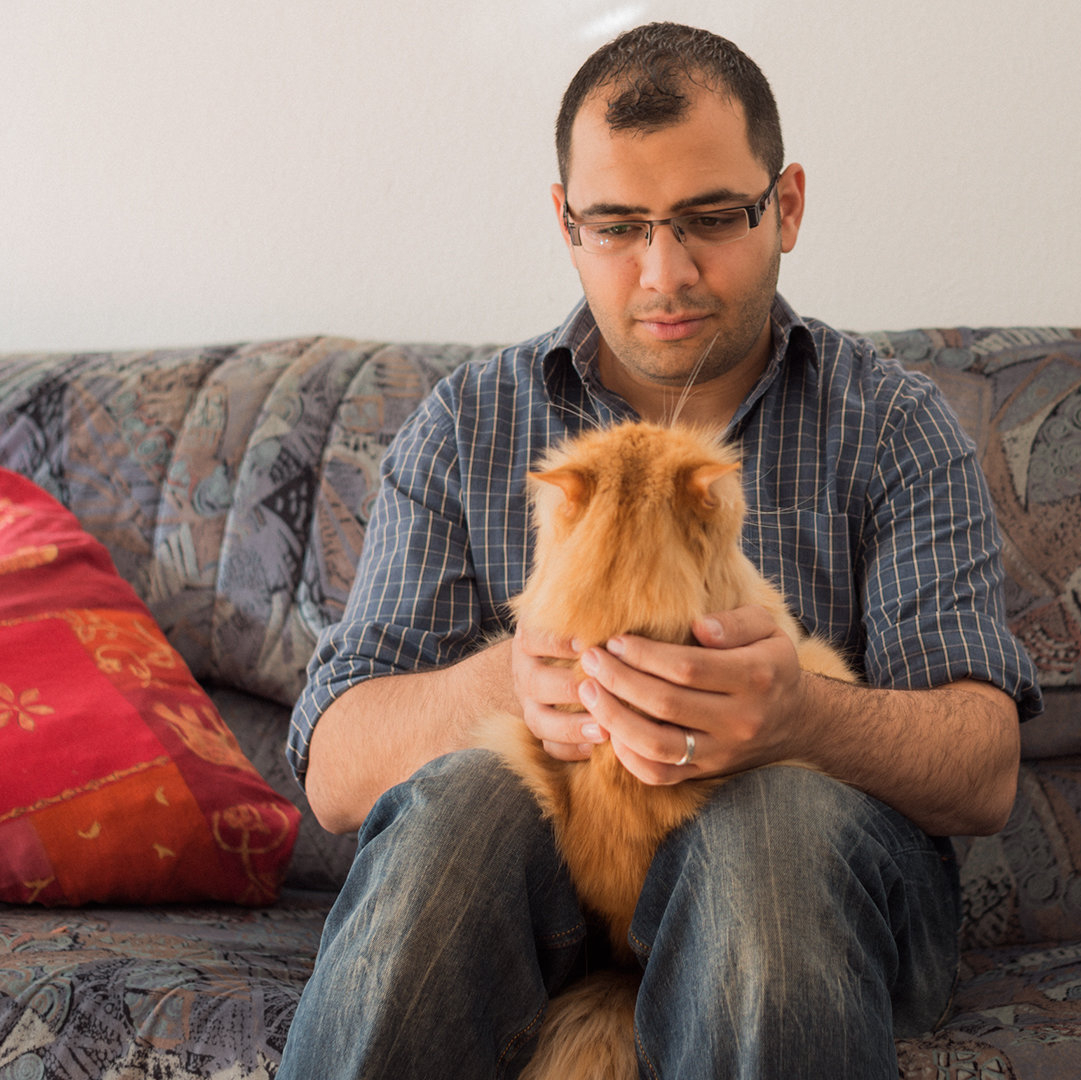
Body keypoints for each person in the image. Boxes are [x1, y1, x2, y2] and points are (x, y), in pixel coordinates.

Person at [277, 22, 1041, 1080]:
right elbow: (335, 775)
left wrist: (799, 717)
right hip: (542, 910)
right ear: (565, 223)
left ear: (789, 206)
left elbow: (983, 771)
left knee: (769, 821)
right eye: (619, 225)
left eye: (711, 219)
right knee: (460, 801)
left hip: (811, 900)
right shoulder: (470, 426)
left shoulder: (891, 426)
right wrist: (509, 682)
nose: (664, 270)